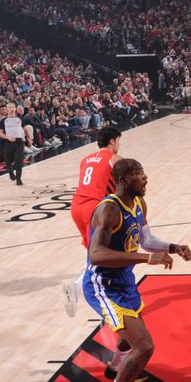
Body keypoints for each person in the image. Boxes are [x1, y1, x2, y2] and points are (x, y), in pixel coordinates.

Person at [84, 158, 191, 382]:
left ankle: (116, 367)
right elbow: (96, 254)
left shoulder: (139, 204)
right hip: (103, 285)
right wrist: (147, 259)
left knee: (132, 331)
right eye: (139, 175)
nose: (145, 179)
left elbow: (145, 240)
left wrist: (173, 246)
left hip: (124, 280)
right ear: (122, 180)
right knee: (143, 347)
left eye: (144, 174)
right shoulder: (108, 211)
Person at [64, 127, 123, 317]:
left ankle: (85, 276)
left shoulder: (85, 159)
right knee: (102, 255)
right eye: (119, 141)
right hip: (93, 209)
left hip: (76, 207)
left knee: (93, 251)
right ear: (113, 141)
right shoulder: (114, 158)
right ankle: (79, 287)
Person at [0, 103, 25, 185]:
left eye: (13, 107)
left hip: (19, 142)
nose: (11, 108)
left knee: (19, 160)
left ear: (15, 109)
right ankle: (11, 173)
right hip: (8, 142)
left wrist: (28, 137)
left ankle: (19, 179)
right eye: (9, 107)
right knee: (8, 161)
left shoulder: (20, 118)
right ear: (7, 110)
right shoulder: (4, 120)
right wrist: (8, 137)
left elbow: (22, 128)